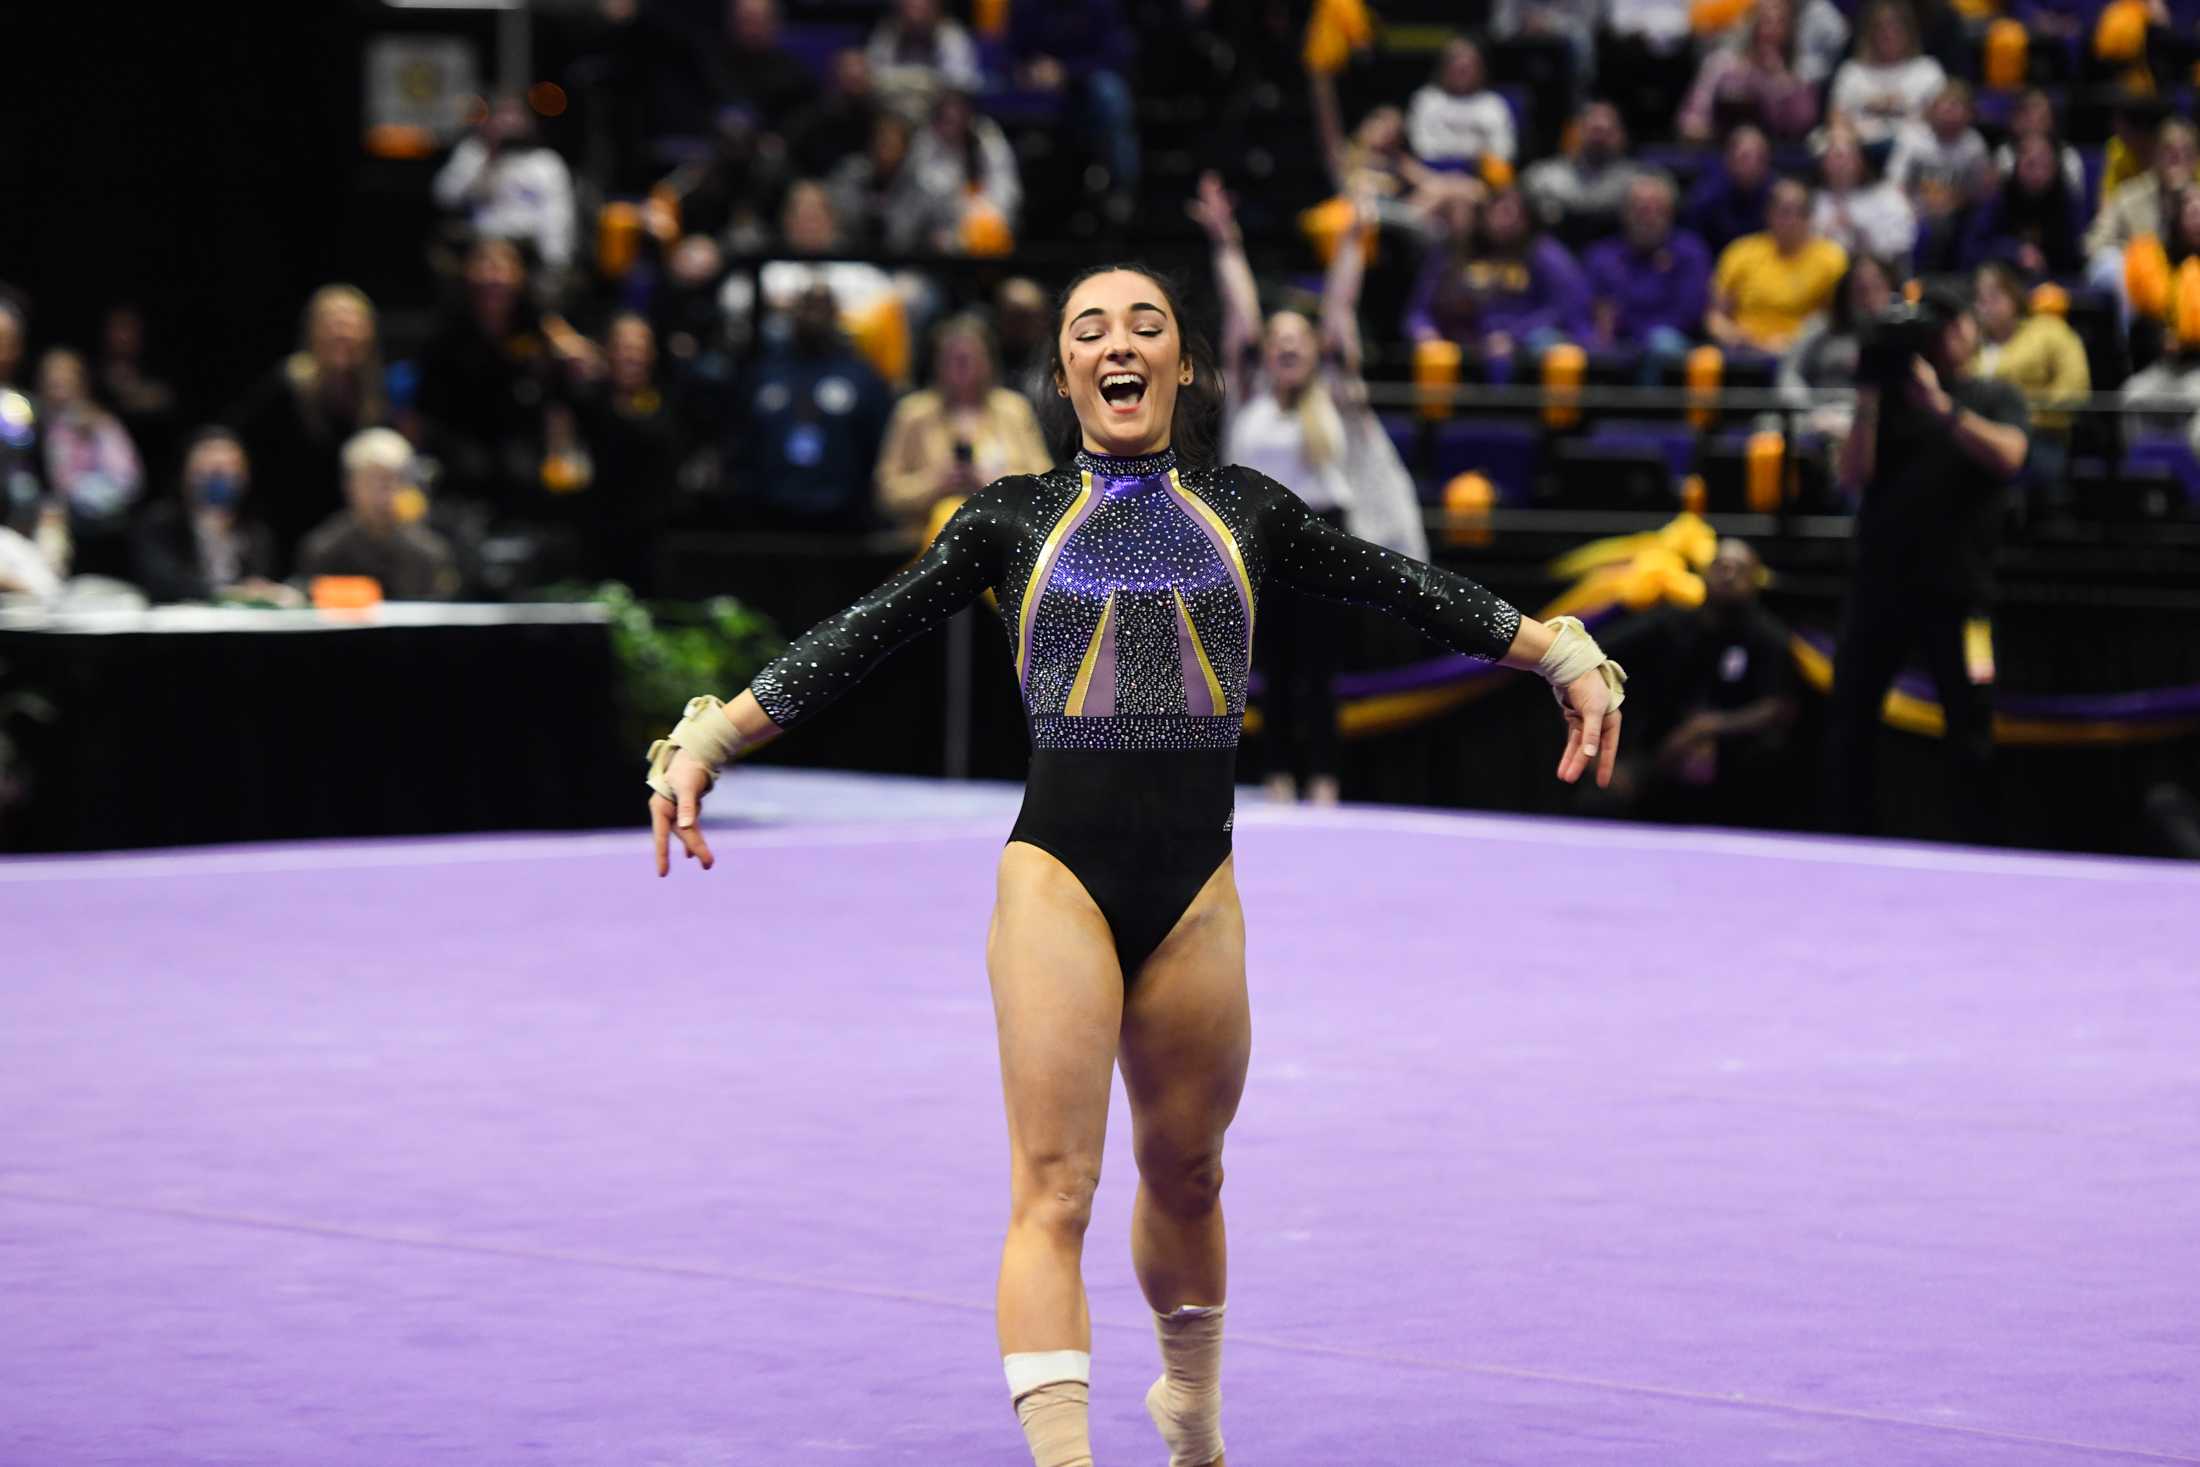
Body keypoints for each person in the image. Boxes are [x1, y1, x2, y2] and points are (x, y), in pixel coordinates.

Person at [641, 259, 1627, 1467]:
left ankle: (1191, 1419)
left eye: (1145, 326)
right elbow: (866, 632)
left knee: (1191, 1175)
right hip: (1058, 874)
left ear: (1185, 364)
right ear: (1062, 373)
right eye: (1089, 329)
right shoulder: (1007, 518)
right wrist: (711, 735)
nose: (1120, 344)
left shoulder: (1250, 509)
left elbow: (1401, 586)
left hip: (1195, 889)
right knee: (1055, 1189)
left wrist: (1559, 652)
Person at [1195, 174, 1433, 805]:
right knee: (1268, 674)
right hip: (1257, 549)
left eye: (1300, 343)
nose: (1290, 350)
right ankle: (1276, 779)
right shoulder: (1247, 399)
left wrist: (1354, 239)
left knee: (1321, 675)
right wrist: (1227, 242)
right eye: (1281, 345)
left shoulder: (1330, 398)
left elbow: (1337, 315)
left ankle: (1324, 782)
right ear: (1268, 354)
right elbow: (1241, 313)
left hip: (1323, 542)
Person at [1826, 283, 2028, 843]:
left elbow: (2011, 456)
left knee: (1971, 723)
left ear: (1968, 328)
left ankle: (1974, 844)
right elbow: (1851, 477)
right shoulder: (1888, 402)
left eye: (1951, 323)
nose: (1945, 336)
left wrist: (1940, 407)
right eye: (1933, 327)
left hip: (1962, 595)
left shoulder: (1992, 395)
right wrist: (1868, 398)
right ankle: (1848, 838)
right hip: (1881, 586)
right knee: (1851, 717)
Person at [1603, 538, 1799, 826]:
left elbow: (1779, 707)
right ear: (1704, 574)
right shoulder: (1669, 623)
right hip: (1656, 754)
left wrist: (1708, 728)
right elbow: (1598, 654)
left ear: (1755, 582)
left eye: (1740, 569)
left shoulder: (1769, 638)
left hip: (1737, 764)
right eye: (1721, 566)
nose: (1728, 574)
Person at [226, 283, 388, 572]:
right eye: (334, 324)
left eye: (352, 325)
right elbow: (242, 448)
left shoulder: (375, 396)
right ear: (313, 331)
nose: (343, 333)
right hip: (286, 529)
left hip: (350, 537)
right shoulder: (285, 387)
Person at [729, 283, 892, 530]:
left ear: (836, 315)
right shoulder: (765, 373)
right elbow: (742, 439)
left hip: (842, 516)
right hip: (769, 511)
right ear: (793, 314)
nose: (813, 316)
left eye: (822, 308)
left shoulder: (861, 376)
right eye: (806, 307)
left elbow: (879, 445)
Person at [874, 315, 1050, 528]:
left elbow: (1045, 483)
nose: (962, 366)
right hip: (928, 538)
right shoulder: (912, 413)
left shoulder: (1013, 409)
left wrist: (996, 482)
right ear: (937, 363)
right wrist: (935, 484)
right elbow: (886, 493)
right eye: (953, 359)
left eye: (970, 358)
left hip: (1007, 533)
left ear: (988, 361)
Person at [1407, 185, 1590, 382]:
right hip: (1466, 339)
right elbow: (1420, 308)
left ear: (1526, 218)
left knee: (1555, 350)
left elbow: (1561, 310)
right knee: (1435, 355)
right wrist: (1424, 330)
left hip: (1526, 341)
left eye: (1512, 214)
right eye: (1497, 212)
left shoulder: (1545, 254)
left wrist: (1514, 336)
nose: (1504, 221)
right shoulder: (1455, 253)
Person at [131, 427, 296, 606]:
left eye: (229, 469)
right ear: (186, 473)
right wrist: (230, 593)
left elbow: (260, 582)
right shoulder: (159, 525)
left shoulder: (257, 532)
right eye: (209, 469)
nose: (219, 478)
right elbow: (164, 584)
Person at [296, 429, 461, 601]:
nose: (382, 495)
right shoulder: (323, 550)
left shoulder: (429, 554)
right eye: (371, 482)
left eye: (391, 481)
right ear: (349, 485)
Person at [1973, 261, 2088, 501]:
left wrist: (2020, 418)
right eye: (1980, 298)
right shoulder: (1970, 343)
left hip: (2040, 436)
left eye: (1994, 296)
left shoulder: (2048, 331)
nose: (1985, 306)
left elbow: (2074, 388)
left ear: (2014, 295)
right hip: (1979, 439)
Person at [1583, 171, 1713, 383]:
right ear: (1625, 213)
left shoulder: (1690, 251)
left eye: (1656, 209)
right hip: (1615, 343)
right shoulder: (1602, 255)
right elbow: (1590, 309)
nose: (1648, 217)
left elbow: (1689, 313)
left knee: (1661, 343)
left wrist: (1630, 328)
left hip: (1672, 345)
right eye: (1640, 209)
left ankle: (1649, 413)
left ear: (1670, 213)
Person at [431, 95, 578, 275]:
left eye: (515, 116)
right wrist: (488, 159)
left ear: (528, 121)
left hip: (526, 249)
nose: (508, 123)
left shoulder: (545, 163)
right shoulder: (473, 154)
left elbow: (557, 216)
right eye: (501, 116)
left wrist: (555, 262)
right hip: (478, 244)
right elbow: (446, 196)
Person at [1709, 179, 1850, 356]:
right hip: (1745, 351)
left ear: (1810, 217)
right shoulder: (1741, 252)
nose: (1791, 220)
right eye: (1783, 212)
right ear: (1769, 214)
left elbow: (1840, 320)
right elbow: (1715, 317)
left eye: (1799, 212)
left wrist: (1797, 343)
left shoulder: (1831, 258)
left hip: (1804, 353)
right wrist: (1737, 337)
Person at [34, 348, 143, 564]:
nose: (59, 385)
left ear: (82, 384)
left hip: (93, 515)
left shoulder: (101, 424)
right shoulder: (31, 421)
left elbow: (127, 479)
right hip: (47, 510)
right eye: (53, 380)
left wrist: (83, 495)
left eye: (67, 379)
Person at [1677, 0, 1819, 143]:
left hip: (1778, 157)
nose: (1770, 30)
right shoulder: (1723, 66)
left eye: (1780, 23)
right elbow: (1691, 121)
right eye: (1765, 21)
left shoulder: (1799, 73)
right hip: (1721, 154)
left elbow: (1804, 123)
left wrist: (1780, 81)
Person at [1965, 130, 2085, 278]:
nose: (2037, 173)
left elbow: (2076, 258)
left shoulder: (2067, 202)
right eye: (2030, 164)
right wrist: (2013, 252)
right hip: (2004, 281)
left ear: (2056, 167)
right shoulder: (1998, 198)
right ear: (2017, 163)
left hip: (2052, 285)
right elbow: (1971, 250)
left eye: (2045, 165)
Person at [1828, 0, 1946, 147]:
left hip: (1914, 151)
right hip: (1861, 149)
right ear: (1870, 33)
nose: (1889, 34)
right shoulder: (1851, 72)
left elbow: (1940, 121)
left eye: (1896, 28)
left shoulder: (1928, 70)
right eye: (1881, 28)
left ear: (1909, 31)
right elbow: (1837, 119)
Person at [1522, 102, 1640, 237]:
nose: (1599, 139)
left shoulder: (1636, 182)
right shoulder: (1542, 177)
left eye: (1607, 132)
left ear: (1621, 135)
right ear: (1578, 132)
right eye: (1595, 130)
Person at [1813, 124, 1918, 267]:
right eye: (1833, 156)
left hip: (1878, 272)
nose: (1840, 163)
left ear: (1860, 160)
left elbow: (1902, 243)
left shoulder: (1887, 197)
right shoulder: (1812, 199)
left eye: (1846, 155)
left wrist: (1860, 233)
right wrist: (1824, 234)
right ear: (1822, 163)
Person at [1406, 37, 1516, 169]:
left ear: (1480, 69)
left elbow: (1504, 150)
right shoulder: (1426, 100)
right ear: (1443, 68)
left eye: (1467, 68)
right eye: (1456, 66)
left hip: (1480, 176)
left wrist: (1457, 153)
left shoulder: (1493, 103)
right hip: (1432, 175)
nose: (1461, 72)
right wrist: (1474, 152)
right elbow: (1422, 147)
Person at [866, 0, 982, 119]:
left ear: (935, 9)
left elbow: (959, 83)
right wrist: (926, 83)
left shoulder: (952, 35)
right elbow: (873, 78)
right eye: (909, 8)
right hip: (890, 115)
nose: (915, 17)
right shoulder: (887, 32)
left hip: (935, 119)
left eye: (921, 9)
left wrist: (902, 82)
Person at [1686, 124, 1775, 253]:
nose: (1752, 165)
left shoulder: (1775, 197)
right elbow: (1695, 246)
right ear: (1728, 158)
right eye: (1745, 157)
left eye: (1759, 158)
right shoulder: (1706, 199)